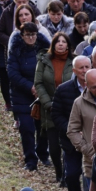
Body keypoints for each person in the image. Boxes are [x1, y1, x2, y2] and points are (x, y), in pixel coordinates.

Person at [51, 55, 91, 191]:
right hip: (70, 142)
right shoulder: (63, 89)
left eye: (87, 67)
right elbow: (56, 114)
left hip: (91, 141)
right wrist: (72, 131)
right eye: (80, 68)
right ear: (74, 71)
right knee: (72, 175)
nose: (84, 71)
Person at [8, 22, 51, 170]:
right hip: (22, 95)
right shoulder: (16, 50)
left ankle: (42, 153)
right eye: (28, 35)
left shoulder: (45, 50)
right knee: (26, 128)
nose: (31, 38)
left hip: (42, 93)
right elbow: (12, 73)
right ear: (22, 35)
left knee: (43, 128)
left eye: (33, 35)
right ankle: (30, 160)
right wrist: (30, 87)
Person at [34, 32, 74, 182]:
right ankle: (58, 172)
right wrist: (47, 103)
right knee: (54, 147)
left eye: (64, 42)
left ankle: (67, 175)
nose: (61, 44)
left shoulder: (74, 61)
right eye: (58, 41)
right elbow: (38, 83)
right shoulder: (44, 61)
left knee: (69, 145)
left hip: (69, 109)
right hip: (50, 108)